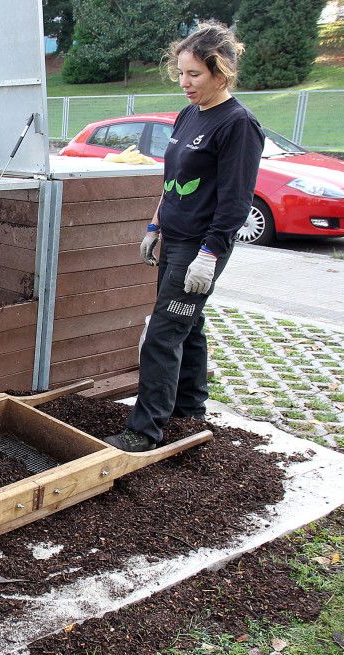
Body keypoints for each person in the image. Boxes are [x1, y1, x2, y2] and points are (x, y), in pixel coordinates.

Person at [103, 22, 264, 452]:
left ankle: (144, 430)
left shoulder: (238, 124)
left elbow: (234, 202)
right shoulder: (189, 114)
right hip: (173, 238)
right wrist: (155, 226)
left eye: (194, 74)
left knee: (163, 331)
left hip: (200, 245)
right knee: (187, 326)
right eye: (180, 73)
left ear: (221, 71)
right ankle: (189, 408)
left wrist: (209, 255)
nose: (184, 83)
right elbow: (173, 178)